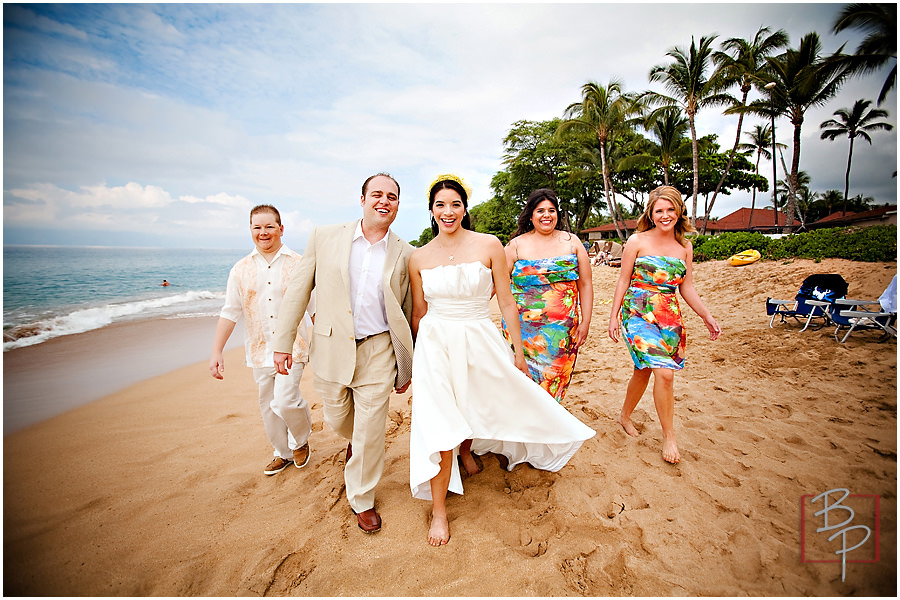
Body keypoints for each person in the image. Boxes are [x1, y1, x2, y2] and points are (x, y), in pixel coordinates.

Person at [408, 174, 595, 546]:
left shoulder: (490, 245)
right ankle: (440, 512)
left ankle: (472, 451)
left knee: (489, 399)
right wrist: (418, 360)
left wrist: (519, 354)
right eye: (441, 205)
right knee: (439, 421)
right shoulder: (418, 256)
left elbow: (507, 302)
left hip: (479, 336)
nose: (448, 212)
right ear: (431, 210)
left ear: (465, 208)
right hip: (435, 343)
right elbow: (418, 313)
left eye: (456, 204)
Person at [273, 173, 414, 535]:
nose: (384, 201)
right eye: (377, 194)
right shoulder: (325, 236)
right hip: (332, 347)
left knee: (370, 430)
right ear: (363, 199)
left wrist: (407, 363)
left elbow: (409, 309)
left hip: (378, 349)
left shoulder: (405, 252)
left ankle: (362, 499)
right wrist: (282, 343)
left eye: (393, 197)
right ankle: (356, 445)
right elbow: (299, 290)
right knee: (339, 420)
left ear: (398, 205)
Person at [607, 185, 721, 464]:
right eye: (660, 210)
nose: (665, 215)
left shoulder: (685, 247)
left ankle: (624, 415)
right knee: (665, 374)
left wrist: (706, 315)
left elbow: (687, 287)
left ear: (679, 210)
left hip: (669, 317)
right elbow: (623, 280)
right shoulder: (636, 241)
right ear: (651, 213)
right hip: (637, 312)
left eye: (671, 209)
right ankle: (669, 436)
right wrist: (613, 316)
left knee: (644, 371)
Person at [209, 204, 314, 476]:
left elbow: (315, 307)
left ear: (281, 229)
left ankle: (301, 439)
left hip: (294, 347)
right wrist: (216, 351)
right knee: (268, 407)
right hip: (258, 349)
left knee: (286, 401)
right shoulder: (240, 269)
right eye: (257, 227)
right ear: (251, 230)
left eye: (269, 226)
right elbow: (230, 312)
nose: (263, 232)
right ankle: (283, 453)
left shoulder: (299, 263)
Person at [503, 189, 593, 402]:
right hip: (523, 333)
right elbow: (495, 285)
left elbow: (586, 284)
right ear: (531, 215)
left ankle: (548, 430)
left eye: (551, 210)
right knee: (524, 387)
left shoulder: (572, 242)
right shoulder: (515, 246)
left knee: (554, 387)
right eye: (540, 210)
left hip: (562, 334)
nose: (547, 215)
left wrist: (586, 321)